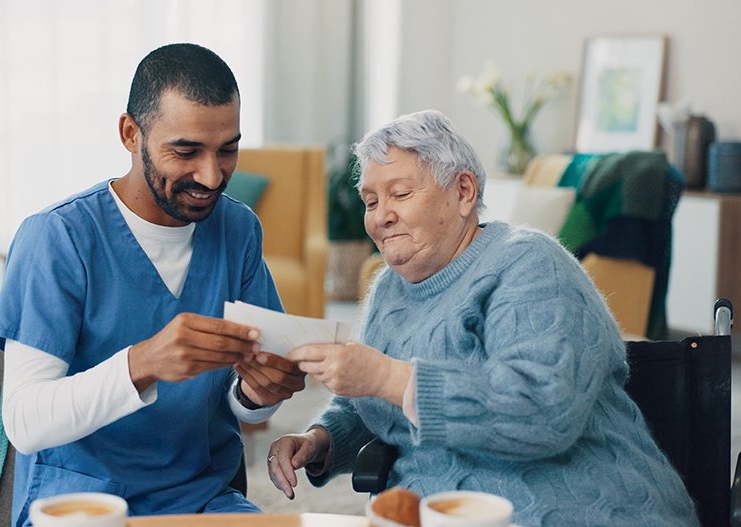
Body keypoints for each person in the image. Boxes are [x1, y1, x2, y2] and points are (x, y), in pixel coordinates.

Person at [268, 110, 698, 526]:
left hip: (565, 507)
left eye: (400, 194)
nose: (381, 216)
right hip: (435, 511)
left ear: (464, 192)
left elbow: (544, 412)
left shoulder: (528, 263)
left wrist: (386, 376)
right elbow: (374, 400)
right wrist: (321, 439)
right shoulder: (388, 289)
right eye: (371, 200)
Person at [0, 43, 306, 525]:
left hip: (199, 498)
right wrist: (145, 363)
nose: (212, 175)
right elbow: (25, 423)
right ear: (131, 133)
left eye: (228, 150)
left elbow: (245, 409)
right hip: (82, 503)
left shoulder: (237, 231)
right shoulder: (58, 238)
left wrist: (260, 394)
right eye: (186, 151)